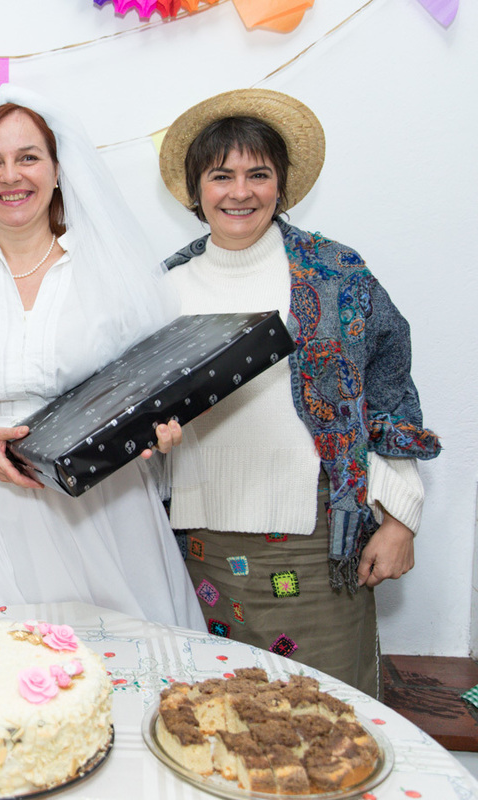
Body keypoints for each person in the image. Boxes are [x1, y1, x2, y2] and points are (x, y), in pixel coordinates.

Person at [0, 86, 203, 629]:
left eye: (28, 157)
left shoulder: (112, 270)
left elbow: (156, 385)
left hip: (105, 509)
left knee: (120, 675)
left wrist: (162, 427)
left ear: (57, 169)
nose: (11, 176)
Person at [156, 88, 441, 695]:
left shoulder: (336, 275)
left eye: (258, 174)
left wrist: (400, 521)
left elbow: (389, 391)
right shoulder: (161, 290)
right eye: (221, 175)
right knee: (219, 718)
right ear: (194, 188)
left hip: (319, 547)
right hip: (199, 549)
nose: (240, 192)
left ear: (281, 186)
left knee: (330, 720)